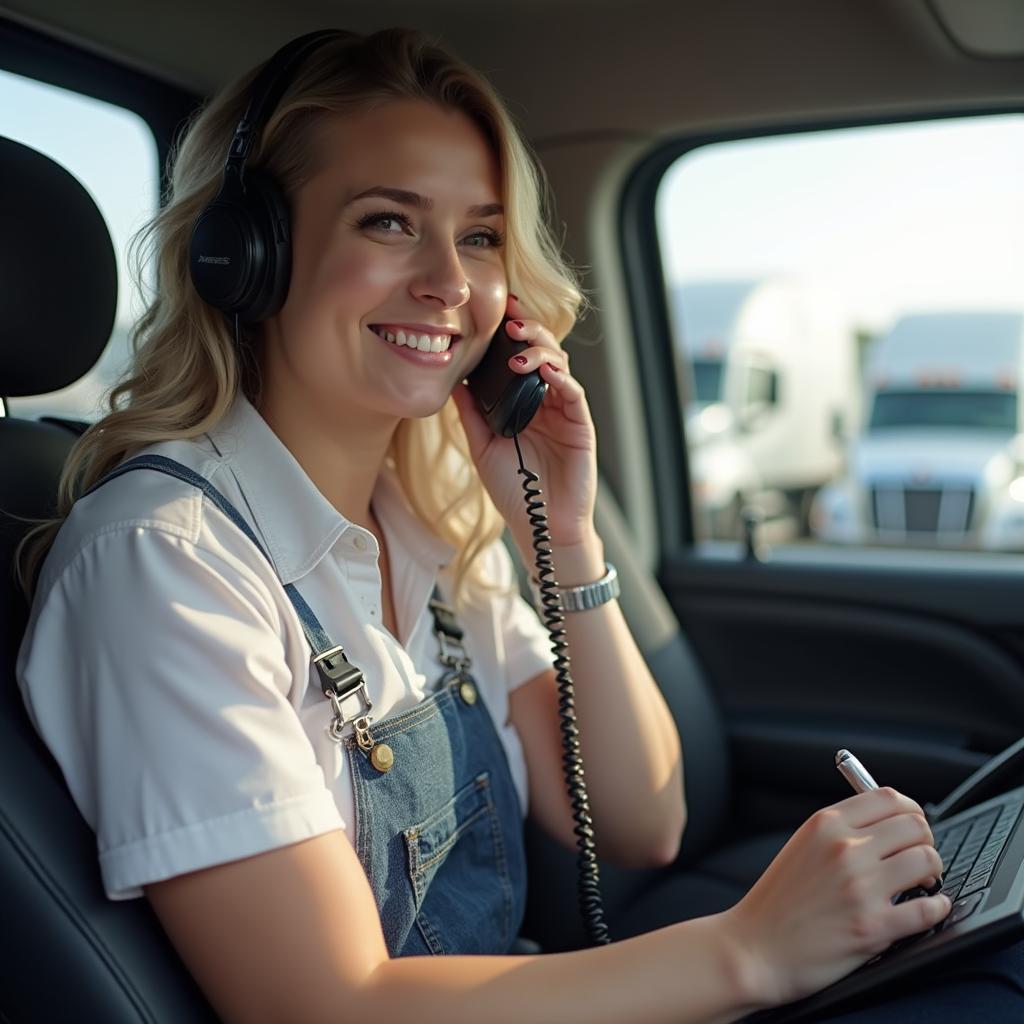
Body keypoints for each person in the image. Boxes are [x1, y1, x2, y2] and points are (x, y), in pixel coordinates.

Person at [15, 26, 1017, 1024]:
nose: (450, 282)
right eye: (389, 223)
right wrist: (748, 949)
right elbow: (324, 1001)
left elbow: (643, 820)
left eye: (481, 236)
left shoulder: (432, 523)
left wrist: (566, 535)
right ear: (250, 256)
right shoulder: (165, 561)